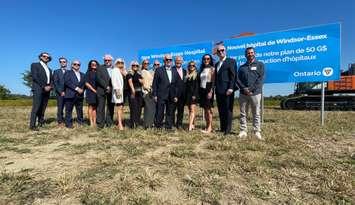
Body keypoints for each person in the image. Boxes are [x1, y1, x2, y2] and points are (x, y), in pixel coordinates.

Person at [237, 47, 265, 140]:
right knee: (243, 113)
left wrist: (251, 89)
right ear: (245, 55)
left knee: (256, 112)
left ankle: (256, 131)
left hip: (256, 93)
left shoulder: (260, 65)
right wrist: (244, 88)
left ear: (254, 54)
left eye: (251, 52)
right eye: (248, 53)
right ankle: (243, 130)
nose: (250, 54)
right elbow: (238, 80)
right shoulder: (241, 67)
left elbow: (260, 79)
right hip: (243, 93)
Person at [152, 54, 179, 130]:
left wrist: (176, 95)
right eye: (167, 59)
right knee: (160, 111)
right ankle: (158, 126)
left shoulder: (174, 70)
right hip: (161, 94)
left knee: (170, 111)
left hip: (171, 95)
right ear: (164, 61)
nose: (168, 61)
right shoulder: (159, 70)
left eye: (170, 60)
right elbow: (155, 83)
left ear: (172, 61)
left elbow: (176, 85)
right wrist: (155, 95)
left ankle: (168, 126)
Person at [214, 44, 236, 135]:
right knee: (221, 109)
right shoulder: (217, 64)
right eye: (219, 51)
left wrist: (231, 88)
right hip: (219, 90)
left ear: (225, 50)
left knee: (228, 110)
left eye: (222, 50)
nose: (221, 52)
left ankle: (228, 130)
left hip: (228, 90)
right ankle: (222, 128)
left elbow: (233, 76)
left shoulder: (231, 61)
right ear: (217, 53)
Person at [29, 52, 53, 131]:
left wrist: (50, 86)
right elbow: (35, 77)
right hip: (38, 88)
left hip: (47, 90)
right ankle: (32, 125)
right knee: (36, 107)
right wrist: (44, 86)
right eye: (44, 56)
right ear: (40, 57)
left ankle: (40, 122)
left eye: (48, 57)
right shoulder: (35, 65)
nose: (46, 57)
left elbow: (51, 80)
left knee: (43, 107)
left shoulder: (49, 69)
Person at [63, 60, 85, 128]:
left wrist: (82, 90)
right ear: (72, 65)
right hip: (70, 94)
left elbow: (84, 84)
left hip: (80, 95)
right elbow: (67, 82)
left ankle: (80, 122)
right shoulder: (68, 72)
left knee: (80, 110)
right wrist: (77, 89)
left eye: (78, 64)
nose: (76, 65)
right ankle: (69, 124)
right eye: (75, 64)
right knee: (69, 110)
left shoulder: (83, 74)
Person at [96, 54, 115, 128]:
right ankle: (100, 124)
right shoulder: (100, 68)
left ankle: (109, 123)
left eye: (109, 60)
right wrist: (106, 86)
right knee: (100, 107)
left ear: (111, 61)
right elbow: (98, 78)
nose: (107, 61)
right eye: (105, 60)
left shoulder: (114, 68)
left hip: (112, 91)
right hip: (101, 90)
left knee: (110, 107)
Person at [199, 54, 215, 133]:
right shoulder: (202, 69)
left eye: (208, 59)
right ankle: (207, 125)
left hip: (209, 89)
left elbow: (213, 81)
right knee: (205, 109)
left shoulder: (212, 68)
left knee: (209, 110)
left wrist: (211, 91)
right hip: (202, 89)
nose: (206, 60)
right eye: (205, 59)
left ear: (210, 60)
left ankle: (210, 127)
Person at [127, 61, 143, 128]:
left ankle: (137, 123)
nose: (135, 66)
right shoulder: (129, 74)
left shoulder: (139, 74)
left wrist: (140, 80)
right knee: (133, 109)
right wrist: (133, 91)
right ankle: (132, 125)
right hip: (133, 93)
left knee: (139, 109)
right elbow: (130, 82)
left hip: (139, 93)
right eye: (134, 65)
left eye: (136, 65)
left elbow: (143, 82)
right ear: (131, 66)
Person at [141, 59, 156, 129]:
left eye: (148, 63)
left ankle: (150, 123)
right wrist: (149, 89)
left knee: (151, 109)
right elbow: (144, 83)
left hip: (150, 92)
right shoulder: (143, 72)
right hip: (147, 92)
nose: (146, 64)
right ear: (143, 64)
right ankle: (147, 125)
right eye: (145, 63)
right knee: (148, 109)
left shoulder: (148, 72)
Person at [172, 56, 186, 129]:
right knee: (172, 110)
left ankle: (179, 124)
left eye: (180, 60)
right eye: (177, 60)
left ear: (182, 62)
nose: (178, 62)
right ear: (175, 61)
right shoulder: (171, 70)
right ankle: (172, 124)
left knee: (181, 111)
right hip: (173, 94)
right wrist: (173, 95)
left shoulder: (185, 71)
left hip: (182, 95)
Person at [53, 57, 67, 127]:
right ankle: (60, 121)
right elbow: (55, 82)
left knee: (68, 108)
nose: (62, 63)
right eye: (61, 62)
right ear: (59, 63)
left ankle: (67, 120)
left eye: (64, 62)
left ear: (66, 63)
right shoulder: (56, 71)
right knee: (60, 107)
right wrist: (61, 91)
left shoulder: (69, 72)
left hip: (68, 93)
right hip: (60, 93)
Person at [111, 58, 125, 130]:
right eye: (119, 62)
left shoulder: (122, 71)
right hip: (118, 91)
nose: (120, 64)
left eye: (122, 62)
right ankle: (120, 124)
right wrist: (116, 90)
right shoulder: (114, 70)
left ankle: (120, 123)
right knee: (119, 107)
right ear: (116, 63)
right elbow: (113, 81)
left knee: (121, 107)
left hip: (122, 91)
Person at [185, 61, 199, 131]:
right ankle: (193, 124)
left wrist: (195, 95)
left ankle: (190, 126)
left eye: (193, 65)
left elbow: (197, 86)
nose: (191, 66)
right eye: (190, 65)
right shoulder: (187, 75)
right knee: (190, 110)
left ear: (195, 66)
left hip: (194, 95)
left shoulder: (196, 74)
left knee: (192, 110)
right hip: (188, 95)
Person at [85, 60, 99, 127]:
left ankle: (95, 122)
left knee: (95, 108)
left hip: (97, 92)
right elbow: (86, 83)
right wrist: (94, 90)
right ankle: (91, 122)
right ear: (90, 65)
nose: (94, 65)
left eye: (95, 64)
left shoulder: (98, 73)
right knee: (90, 107)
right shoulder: (88, 73)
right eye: (92, 64)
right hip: (90, 92)